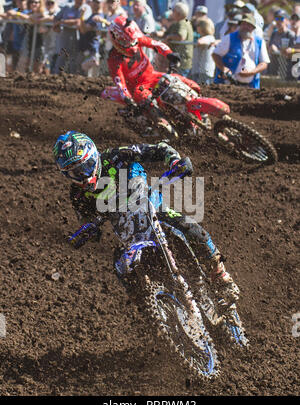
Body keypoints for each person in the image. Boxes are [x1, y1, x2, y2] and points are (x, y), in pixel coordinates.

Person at [53, 130, 240, 314]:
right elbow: (87, 220)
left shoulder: (116, 157)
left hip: (152, 208)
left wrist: (174, 161)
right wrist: (88, 231)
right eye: (74, 173)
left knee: (190, 228)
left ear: (94, 157)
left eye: (85, 167)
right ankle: (148, 311)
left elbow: (159, 149)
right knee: (120, 266)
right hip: (128, 231)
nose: (82, 176)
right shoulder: (78, 194)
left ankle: (221, 277)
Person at [103, 15, 202, 140]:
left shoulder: (136, 39)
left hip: (153, 76)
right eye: (126, 42)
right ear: (116, 38)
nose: (132, 45)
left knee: (178, 78)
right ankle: (162, 122)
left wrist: (169, 54)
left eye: (132, 40)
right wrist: (127, 98)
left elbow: (156, 44)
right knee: (143, 95)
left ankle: (198, 101)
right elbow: (119, 82)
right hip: (139, 88)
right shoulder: (114, 58)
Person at [213, 13, 270, 88]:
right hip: (227, 84)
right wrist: (224, 69)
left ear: (253, 28)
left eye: (248, 25)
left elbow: (264, 63)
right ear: (240, 26)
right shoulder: (229, 38)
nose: (245, 27)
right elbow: (216, 54)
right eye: (243, 24)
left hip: (251, 85)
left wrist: (251, 72)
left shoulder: (259, 42)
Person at [53, 0, 92, 74]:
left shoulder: (86, 8)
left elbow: (79, 21)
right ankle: (56, 77)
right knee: (61, 59)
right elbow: (56, 17)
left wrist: (62, 22)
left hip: (79, 40)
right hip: (64, 39)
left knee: (74, 62)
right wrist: (56, 25)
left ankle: (73, 80)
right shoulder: (67, 7)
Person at [163, 2, 194, 77]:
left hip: (181, 61)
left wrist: (169, 37)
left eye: (173, 10)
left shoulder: (182, 23)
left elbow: (181, 36)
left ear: (179, 13)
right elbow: (166, 34)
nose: (172, 12)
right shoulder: (178, 23)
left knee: (178, 83)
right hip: (178, 60)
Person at [191, 17, 216, 84]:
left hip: (204, 72)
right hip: (198, 70)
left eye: (198, 25)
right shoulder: (207, 38)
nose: (197, 27)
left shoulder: (209, 38)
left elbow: (201, 42)